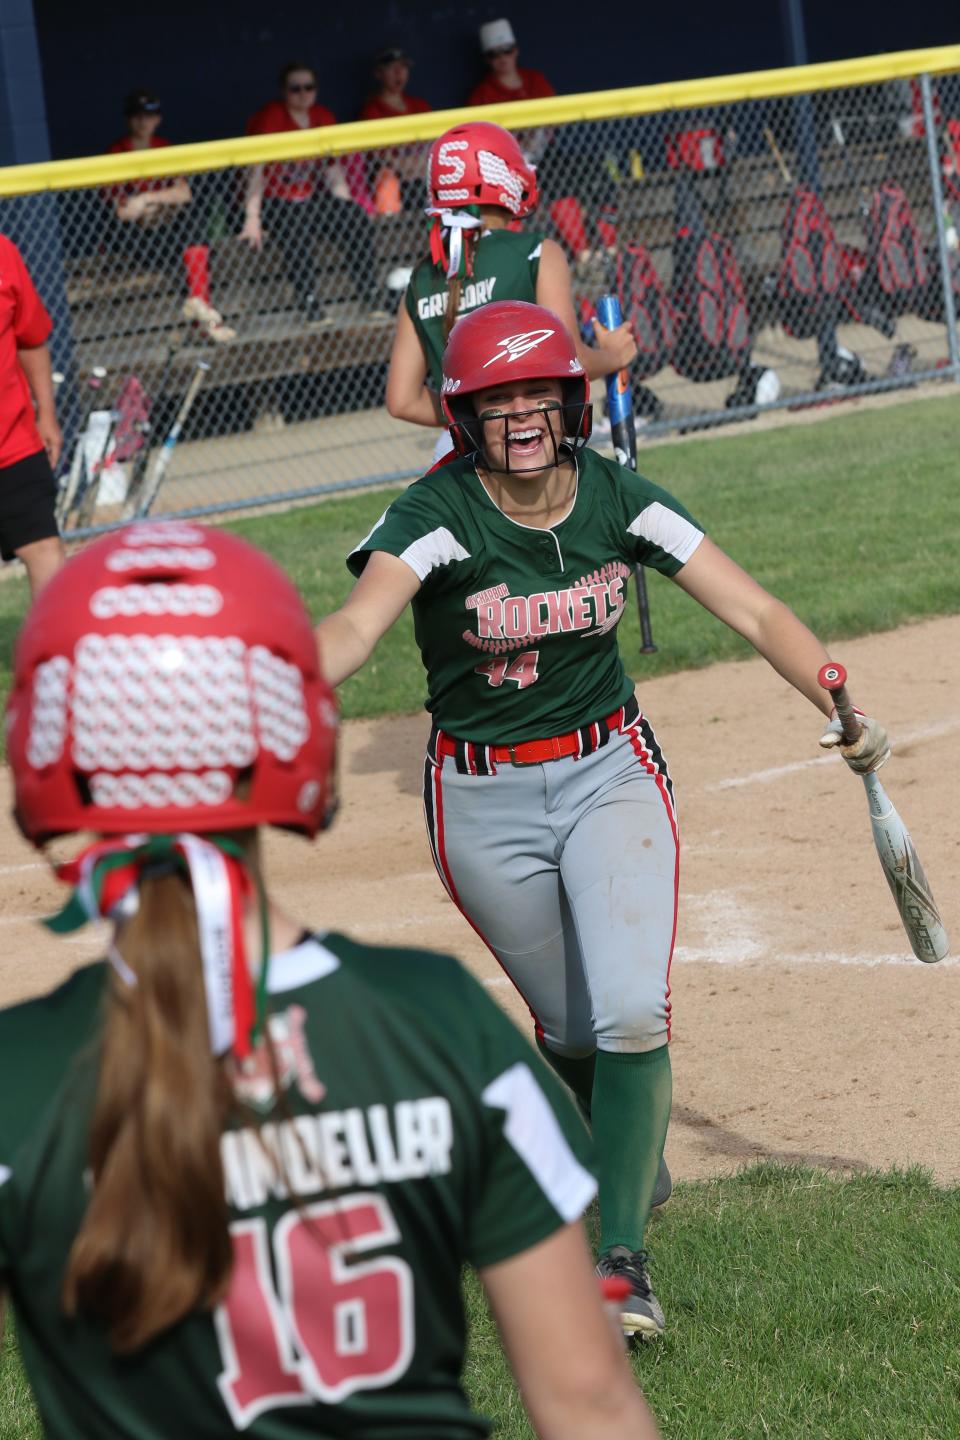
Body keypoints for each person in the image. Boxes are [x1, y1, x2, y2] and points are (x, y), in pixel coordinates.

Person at [0, 519, 661, 1440]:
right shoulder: (438, 1022)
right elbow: (588, 1400)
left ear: (44, 741)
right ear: (289, 728)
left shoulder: (19, 1076)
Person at [315, 298, 892, 1338]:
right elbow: (359, 626)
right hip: (480, 801)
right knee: (574, 1029)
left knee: (630, 1009)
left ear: (571, 401)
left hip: (606, 774)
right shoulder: (436, 510)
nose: (524, 413)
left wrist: (841, 703)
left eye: (540, 390)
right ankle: (632, 1159)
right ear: (464, 417)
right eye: (498, 399)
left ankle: (621, 1261)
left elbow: (753, 607)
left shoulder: (616, 494)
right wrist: (272, 681)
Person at [384, 121, 635, 458]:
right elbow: (572, 359)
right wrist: (613, 355)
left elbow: (402, 401)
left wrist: (475, 417)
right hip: (528, 447)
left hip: (455, 453)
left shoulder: (421, 277)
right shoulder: (537, 252)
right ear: (497, 177)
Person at [241, 61, 387, 324]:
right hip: (275, 202)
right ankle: (308, 301)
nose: (303, 93)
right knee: (295, 225)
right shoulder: (273, 116)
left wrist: (347, 207)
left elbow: (332, 172)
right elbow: (256, 171)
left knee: (352, 214)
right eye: (295, 88)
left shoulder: (322, 116)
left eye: (308, 87)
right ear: (284, 91)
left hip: (306, 200)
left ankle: (371, 293)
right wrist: (253, 218)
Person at [105, 90, 236, 343]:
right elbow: (123, 212)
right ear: (128, 119)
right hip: (137, 239)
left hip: (166, 228)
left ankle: (201, 309)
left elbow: (184, 193)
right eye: (137, 116)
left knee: (195, 222)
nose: (143, 122)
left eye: (149, 116)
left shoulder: (163, 147)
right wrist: (158, 203)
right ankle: (204, 316)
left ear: (158, 119)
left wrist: (147, 199)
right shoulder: (117, 152)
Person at [0, 234, 64, 599]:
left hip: (12, 439)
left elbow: (31, 338)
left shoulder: (4, 251)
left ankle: (55, 652)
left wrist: (47, 415)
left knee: (44, 550)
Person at [358, 47, 431, 216]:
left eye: (403, 67)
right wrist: (412, 165)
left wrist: (412, 164)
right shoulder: (372, 111)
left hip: (423, 175)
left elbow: (434, 151)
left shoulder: (420, 106)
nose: (399, 73)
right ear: (379, 73)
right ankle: (392, 231)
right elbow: (383, 159)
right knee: (387, 179)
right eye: (392, 68)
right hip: (398, 179)